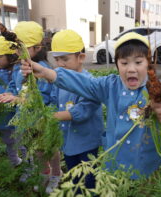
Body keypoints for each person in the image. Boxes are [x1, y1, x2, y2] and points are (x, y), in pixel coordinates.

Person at [20, 32, 161, 180]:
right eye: (124, 63)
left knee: (142, 189)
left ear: (148, 64)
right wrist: (48, 72)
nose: (131, 69)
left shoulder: (154, 88)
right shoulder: (110, 85)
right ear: (117, 64)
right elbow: (85, 83)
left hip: (143, 161)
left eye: (138, 62)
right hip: (113, 161)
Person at [0, 21, 59, 190]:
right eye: (16, 47)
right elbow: (13, 85)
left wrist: (18, 100)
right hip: (26, 120)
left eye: (22, 47)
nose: (17, 51)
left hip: (42, 120)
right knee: (36, 150)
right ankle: (44, 173)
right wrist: (9, 94)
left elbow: (42, 100)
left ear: (37, 48)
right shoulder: (19, 67)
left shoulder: (42, 70)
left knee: (50, 148)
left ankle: (56, 174)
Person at [48, 29, 103, 193]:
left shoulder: (91, 83)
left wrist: (51, 117)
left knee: (89, 178)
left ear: (81, 58)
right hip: (68, 140)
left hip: (87, 142)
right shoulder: (59, 83)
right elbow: (53, 100)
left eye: (65, 59)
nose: (60, 64)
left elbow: (82, 111)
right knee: (73, 174)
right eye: (57, 60)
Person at [0, 36, 21, 167]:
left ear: (11, 56)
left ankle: (30, 166)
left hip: (14, 116)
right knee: (8, 141)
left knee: (21, 142)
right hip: (1, 117)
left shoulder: (16, 72)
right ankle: (15, 162)